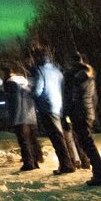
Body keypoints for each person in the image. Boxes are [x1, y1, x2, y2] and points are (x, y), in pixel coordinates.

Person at [66, 51, 101, 186]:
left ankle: (100, 174)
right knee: (88, 143)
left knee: (86, 144)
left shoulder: (71, 75)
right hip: (87, 112)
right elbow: (94, 97)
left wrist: (66, 114)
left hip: (77, 113)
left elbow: (69, 97)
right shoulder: (89, 74)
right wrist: (92, 113)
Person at [30, 44, 76, 175]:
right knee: (64, 135)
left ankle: (66, 165)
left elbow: (38, 90)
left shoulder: (39, 71)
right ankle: (72, 161)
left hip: (48, 107)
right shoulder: (56, 71)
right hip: (60, 106)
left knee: (57, 137)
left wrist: (31, 93)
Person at [3, 63, 41, 170]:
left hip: (20, 116)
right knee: (32, 139)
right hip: (31, 115)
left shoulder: (11, 83)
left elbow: (15, 101)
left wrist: (14, 116)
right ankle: (35, 160)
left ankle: (28, 163)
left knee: (24, 141)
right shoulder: (25, 82)